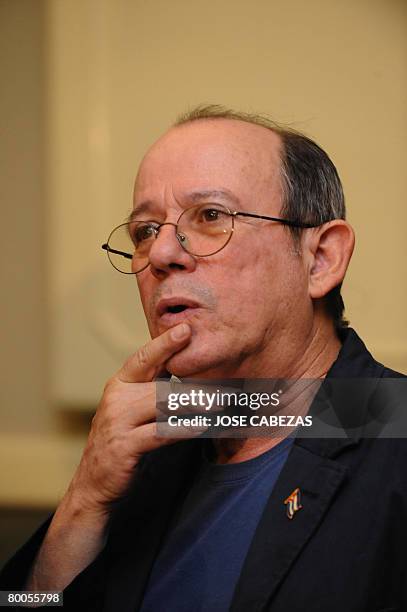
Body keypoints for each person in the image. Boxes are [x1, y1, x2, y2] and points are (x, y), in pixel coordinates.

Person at [1, 105, 406, 611]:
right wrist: (83, 502)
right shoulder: (141, 451)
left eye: (211, 216)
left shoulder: (393, 431)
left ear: (320, 259)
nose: (163, 253)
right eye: (146, 230)